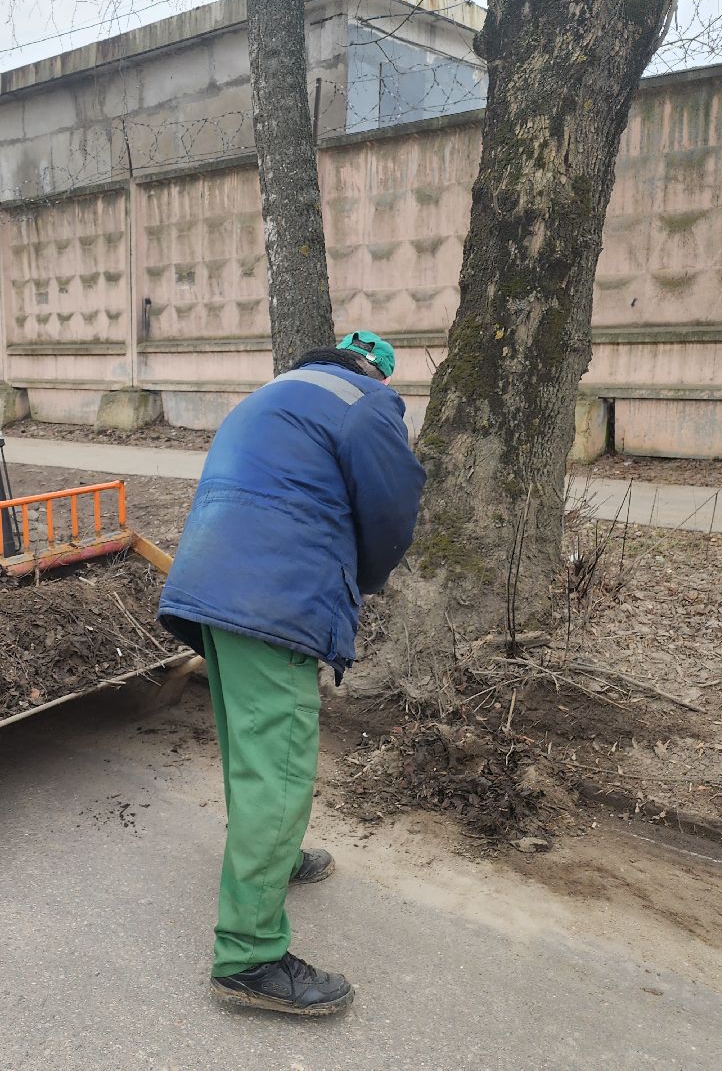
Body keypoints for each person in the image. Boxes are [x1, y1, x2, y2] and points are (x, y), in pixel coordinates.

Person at [158, 330, 425, 1017]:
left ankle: (274, 858)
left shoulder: (274, 394)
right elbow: (394, 513)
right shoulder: (367, 403)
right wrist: (363, 579)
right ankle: (248, 956)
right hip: (272, 597)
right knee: (278, 767)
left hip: (212, 587)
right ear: (382, 376)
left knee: (252, 749)